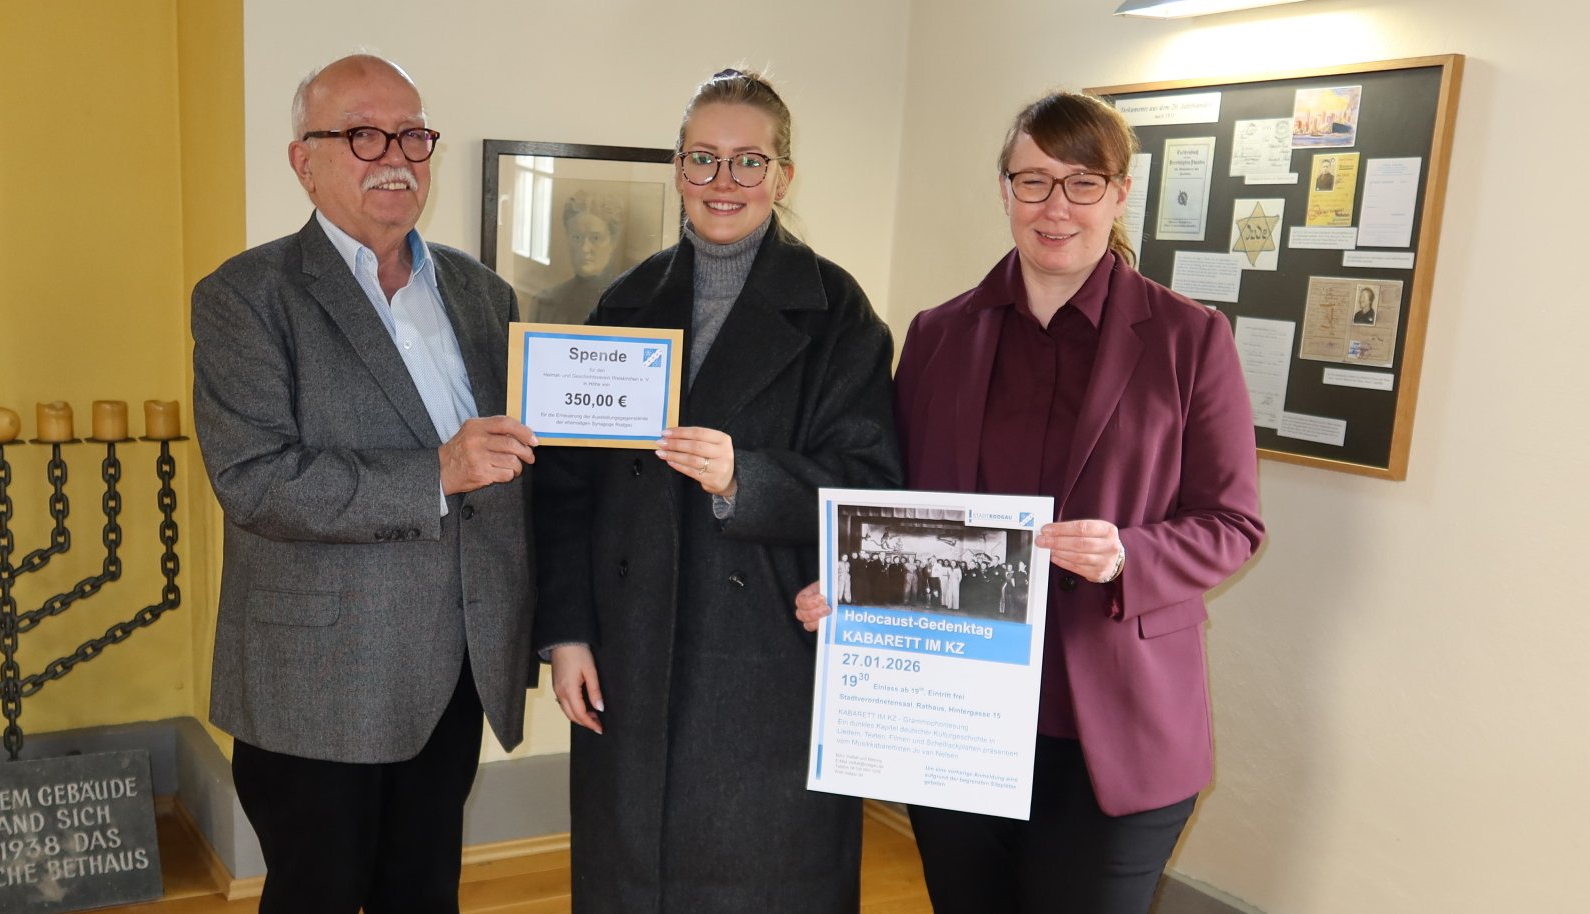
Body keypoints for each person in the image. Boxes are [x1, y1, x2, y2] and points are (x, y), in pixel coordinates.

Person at [798, 91, 1264, 914]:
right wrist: (851, 582)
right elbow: (900, 506)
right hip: (955, 713)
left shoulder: (1190, 338)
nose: (1056, 208)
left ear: (1120, 193)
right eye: (1033, 181)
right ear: (1005, 191)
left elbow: (1232, 525)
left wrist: (1130, 552)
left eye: (1082, 183)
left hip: (1117, 726)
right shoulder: (939, 334)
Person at [535, 68, 901, 913]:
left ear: (783, 176)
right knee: (631, 884)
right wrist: (566, 635)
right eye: (703, 159)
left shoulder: (838, 313)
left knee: (761, 885)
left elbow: (869, 488)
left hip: (767, 660)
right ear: (677, 169)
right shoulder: (625, 302)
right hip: (628, 655)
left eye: (748, 162)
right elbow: (565, 489)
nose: (723, 183)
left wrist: (748, 477)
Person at [191, 54, 539, 914]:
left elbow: (524, 462)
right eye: (361, 134)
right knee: (316, 895)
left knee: (424, 894)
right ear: (301, 159)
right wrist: (437, 472)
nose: (396, 154)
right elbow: (255, 480)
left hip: (453, 666)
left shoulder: (484, 293)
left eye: (413, 135)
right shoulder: (245, 297)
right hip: (318, 676)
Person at [532, 190, 626, 325]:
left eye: (595, 238)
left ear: (613, 242)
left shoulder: (626, 303)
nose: (584, 248)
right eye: (576, 237)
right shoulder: (545, 303)